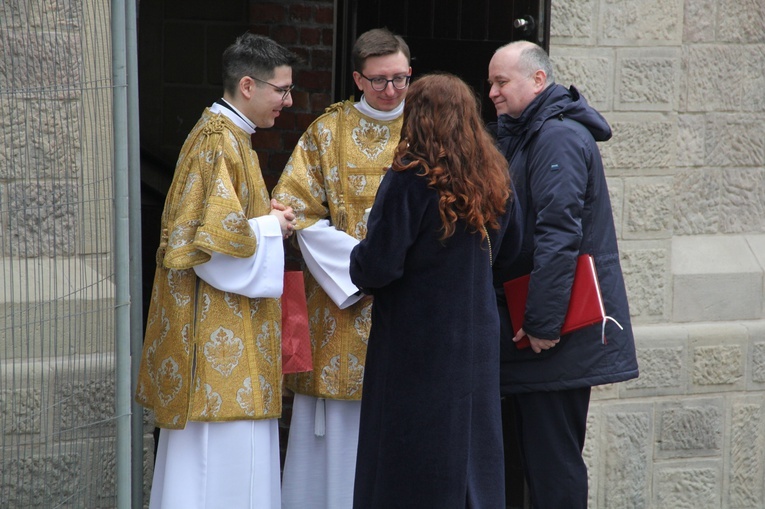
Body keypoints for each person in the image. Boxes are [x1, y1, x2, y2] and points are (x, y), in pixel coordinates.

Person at [135, 33, 299, 509]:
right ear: (248, 85)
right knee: (215, 480)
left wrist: (263, 219)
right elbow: (210, 247)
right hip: (216, 348)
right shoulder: (216, 142)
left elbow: (221, 220)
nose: (287, 102)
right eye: (281, 90)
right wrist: (271, 227)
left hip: (231, 332)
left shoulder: (233, 137)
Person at [349, 73, 523, 508]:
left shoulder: (410, 179)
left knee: (410, 462)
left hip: (416, 343)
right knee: (471, 454)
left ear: (417, 117)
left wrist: (356, 258)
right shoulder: (495, 176)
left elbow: (379, 266)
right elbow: (513, 251)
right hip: (476, 338)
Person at [487, 40, 639, 508]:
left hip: (552, 341)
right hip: (539, 339)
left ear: (538, 80)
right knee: (533, 466)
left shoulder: (556, 137)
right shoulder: (527, 133)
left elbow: (558, 237)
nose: (491, 92)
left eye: (501, 81)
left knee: (553, 470)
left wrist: (542, 324)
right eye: (489, 81)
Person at [271, 28, 412, 509]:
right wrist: (363, 267)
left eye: (400, 78)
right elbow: (294, 210)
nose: (391, 91)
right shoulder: (327, 133)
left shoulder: (427, 128)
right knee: (338, 447)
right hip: (341, 311)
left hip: (409, 306)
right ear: (357, 78)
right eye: (378, 81)